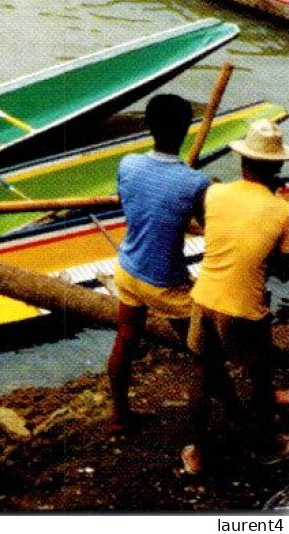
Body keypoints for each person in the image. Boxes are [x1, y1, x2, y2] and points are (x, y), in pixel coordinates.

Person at [180, 119, 289, 474]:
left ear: (243, 161)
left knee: (203, 372)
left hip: (203, 295)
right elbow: (284, 271)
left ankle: (198, 454)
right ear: (277, 166)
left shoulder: (213, 193)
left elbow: (212, 227)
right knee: (258, 376)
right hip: (242, 307)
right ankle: (268, 444)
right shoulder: (284, 211)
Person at [104, 93, 207, 434]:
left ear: (148, 127)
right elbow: (208, 227)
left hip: (128, 267)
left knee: (125, 339)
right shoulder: (195, 182)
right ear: (186, 129)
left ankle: (119, 416)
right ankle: (235, 422)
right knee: (205, 356)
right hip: (166, 283)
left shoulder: (128, 164)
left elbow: (130, 203)